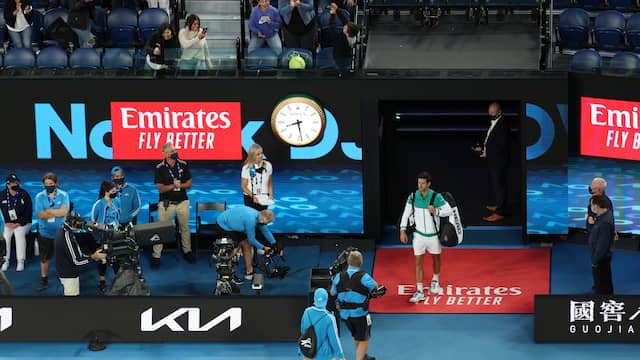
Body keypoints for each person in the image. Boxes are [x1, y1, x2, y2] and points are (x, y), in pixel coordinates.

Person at [399, 171, 452, 303]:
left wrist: (436, 211)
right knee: (418, 262)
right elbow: (406, 214)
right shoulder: (412, 196)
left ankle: (435, 280)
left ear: (428, 184)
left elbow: (449, 210)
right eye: (419, 183)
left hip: (433, 236)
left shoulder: (436, 197)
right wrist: (402, 230)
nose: (420, 185)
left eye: (423, 183)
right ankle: (420, 291)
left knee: (436, 259)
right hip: (419, 236)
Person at [153, 142, 195, 267]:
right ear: (165, 154)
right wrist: (173, 186)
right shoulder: (159, 168)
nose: (175, 152)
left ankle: (187, 251)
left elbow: (189, 184)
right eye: (172, 151)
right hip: (167, 204)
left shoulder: (183, 164)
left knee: (185, 228)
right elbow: (160, 188)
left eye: (175, 150)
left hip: (183, 202)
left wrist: (180, 186)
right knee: (161, 229)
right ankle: (156, 256)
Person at [330, 250, 377, 360]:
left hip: (344, 315)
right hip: (360, 314)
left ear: (348, 262)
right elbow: (376, 287)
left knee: (356, 335)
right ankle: (360, 357)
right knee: (365, 338)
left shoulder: (338, 277)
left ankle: (363, 356)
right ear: (361, 263)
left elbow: (332, 293)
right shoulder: (364, 277)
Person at [214, 206, 276, 283]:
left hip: (234, 225)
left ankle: (249, 272)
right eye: (267, 223)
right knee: (234, 249)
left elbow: (265, 231)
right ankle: (229, 275)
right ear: (263, 219)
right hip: (223, 225)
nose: (266, 224)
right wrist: (263, 248)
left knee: (247, 245)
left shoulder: (259, 215)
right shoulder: (251, 220)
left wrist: (274, 244)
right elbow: (252, 240)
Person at [472, 102, 510, 222]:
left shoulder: (503, 124)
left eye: (493, 113)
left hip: (499, 161)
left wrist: (487, 152)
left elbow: (501, 146)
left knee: (499, 186)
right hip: (494, 159)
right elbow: (492, 140)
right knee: (497, 185)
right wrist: (483, 148)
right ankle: (499, 205)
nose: (491, 115)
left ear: (499, 112)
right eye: (490, 113)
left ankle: (500, 212)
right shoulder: (497, 122)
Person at [55, 212, 107, 296]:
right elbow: (77, 261)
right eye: (78, 222)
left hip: (64, 269)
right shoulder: (67, 236)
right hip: (69, 274)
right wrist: (93, 257)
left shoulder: (61, 230)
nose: (80, 224)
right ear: (73, 223)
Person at [34, 172, 70, 291]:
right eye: (46, 184)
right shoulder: (39, 196)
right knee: (45, 258)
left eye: (51, 183)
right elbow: (40, 215)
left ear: (56, 184)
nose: (48, 185)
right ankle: (44, 280)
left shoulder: (64, 195)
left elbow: (64, 212)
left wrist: (49, 211)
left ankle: (65, 278)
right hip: (45, 233)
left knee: (64, 257)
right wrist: (56, 211)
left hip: (61, 232)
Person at [299, 288, 346, 360]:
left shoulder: (306, 312)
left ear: (314, 298)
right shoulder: (330, 317)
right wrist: (341, 356)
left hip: (308, 353)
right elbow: (334, 339)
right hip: (325, 356)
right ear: (326, 300)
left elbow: (303, 332)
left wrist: (300, 349)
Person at [91, 181, 121, 291]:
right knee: (103, 259)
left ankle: (118, 281)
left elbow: (118, 216)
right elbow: (93, 221)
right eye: (113, 191)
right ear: (106, 191)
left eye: (115, 191)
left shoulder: (117, 201)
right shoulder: (98, 204)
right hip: (103, 237)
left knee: (116, 259)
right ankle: (102, 281)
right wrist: (99, 236)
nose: (115, 192)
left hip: (115, 235)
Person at [0, 174, 32, 272]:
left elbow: (29, 212)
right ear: (8, 184)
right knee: (5, 236)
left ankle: (20, 261)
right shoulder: (2, 195)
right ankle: (5, 261)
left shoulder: (24, 194)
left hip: (24, 223)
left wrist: (19, 223)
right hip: (8, 224)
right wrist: (5, 222)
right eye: (14, 183)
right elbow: (1, 212)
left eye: (17, 183)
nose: (16, 184)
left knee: (19, 233)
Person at [588, 195, 615, 295]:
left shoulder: (605, 222)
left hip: (601, 257)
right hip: (602, 256)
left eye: (592, 205)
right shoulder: (604, 215)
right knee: (604, 278)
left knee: (602, 280)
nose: (591, 207)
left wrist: (595, 261)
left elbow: (602, 244)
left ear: (597, 205)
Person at [241, 143, 274, 211]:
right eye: (258, 154)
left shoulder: (268, 165)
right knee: (251, 219)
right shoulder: (246, 168)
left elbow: (269, 182)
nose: (261, 156)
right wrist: (253, 196)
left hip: (264, 197)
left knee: (262, 219)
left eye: (261, 153)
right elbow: (244, 186)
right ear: (252, 156)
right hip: (250, 197)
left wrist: (270, 195)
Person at [327, 3, 360, 70]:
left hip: (340, 59)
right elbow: (345, 21)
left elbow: (332, 28)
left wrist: (333, 15)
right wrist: (337, 10)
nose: (344, 27)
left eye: (345, 28)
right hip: (346, 57)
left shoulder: (342, 40)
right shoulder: (352, 34)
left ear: (347, 33)